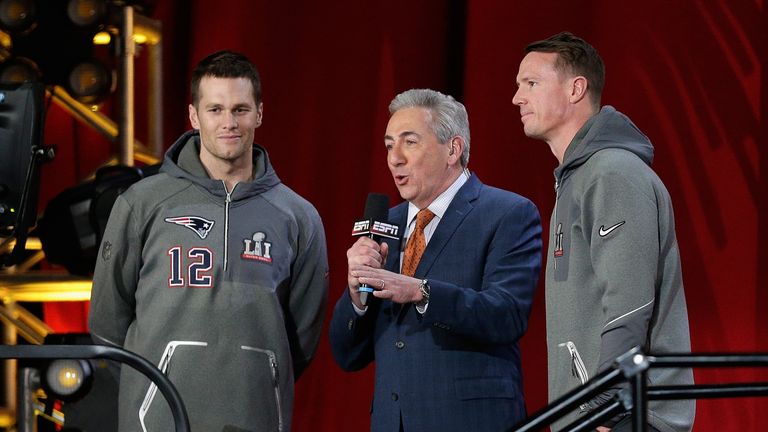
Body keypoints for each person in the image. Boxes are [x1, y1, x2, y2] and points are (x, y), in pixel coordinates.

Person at [88, 50, 329, 431]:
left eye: (240, 109)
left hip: (256, 416)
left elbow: (303, 335)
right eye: (215, 109)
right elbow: (106, 320)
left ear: (260, 114)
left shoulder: (298, 217)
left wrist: (260, 375)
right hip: (154, 419)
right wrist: (150, 385)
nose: (228, 122)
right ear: (193, 116)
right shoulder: (142, 203)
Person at [329, 88, 542, 431]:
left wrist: (421, 292)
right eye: (388, 145)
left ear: (453, 149)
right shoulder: (387, 225)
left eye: (409, 142)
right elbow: (347, 355)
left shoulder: (508, 213)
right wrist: (356, 296)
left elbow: (507, 315)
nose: (394, 158)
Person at [512, 32, 695, 431]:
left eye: (531, 83)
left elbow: (629, 306)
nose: (517, 98)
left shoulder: (613, 173)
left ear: (576, 88)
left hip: (624, 416)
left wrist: (601, 406)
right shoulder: (579, 179)